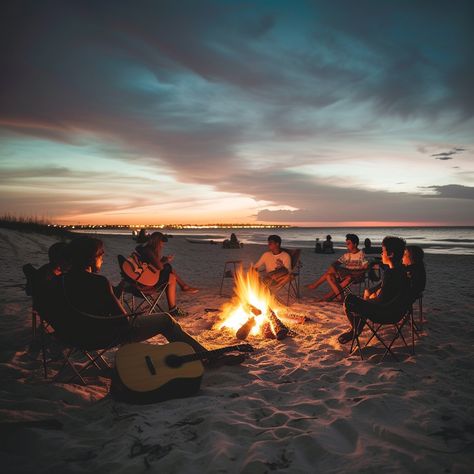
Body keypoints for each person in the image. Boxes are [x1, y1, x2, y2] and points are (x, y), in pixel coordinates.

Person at [60, 237, 243, 365]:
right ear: (91, 258)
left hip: (75, 333)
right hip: (104, 334)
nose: (102, 259)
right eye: (101, 255)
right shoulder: (98, 282)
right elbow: (123, 321)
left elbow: (92, 304)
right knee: (165, 320)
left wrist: (119, 290)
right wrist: (134, 315)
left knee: (160, 318)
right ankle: (208, 357)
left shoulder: (62, 280)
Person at [338, 236, 410, 344]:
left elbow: (381, 300)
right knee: (363, 303)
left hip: (385, 313)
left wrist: (367, 300)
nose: (381, 254)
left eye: (383, 251)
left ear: (391, 254)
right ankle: (356, 329)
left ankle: (355, 330)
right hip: (398, 313)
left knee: (349, 299)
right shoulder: (402, 271)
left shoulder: (390, 274)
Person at [135, 232, 198, 317]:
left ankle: (183, 287)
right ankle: (173, 308)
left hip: (140, 279)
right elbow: (159, 267)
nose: (162, 245)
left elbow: (152, 266)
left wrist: (163, 260)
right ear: (157, 242)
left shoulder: (144, 249)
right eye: (162, 242)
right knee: (170, 276)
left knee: (168, 268)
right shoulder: (148, 251)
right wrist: (165, 260)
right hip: (145, 284)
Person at [307, 234, 368, 302]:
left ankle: (324, 294)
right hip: (346, 275)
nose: (347, 245)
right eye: (346, 243)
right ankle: (339, 296)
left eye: (349, 243)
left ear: (355, 244)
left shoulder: (361, 254)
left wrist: (351, 271)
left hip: (356, 276)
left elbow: (365, 268)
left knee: (348, 278)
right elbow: (335, 263)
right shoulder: (346, 255)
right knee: (329, 275)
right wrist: (335, 267)